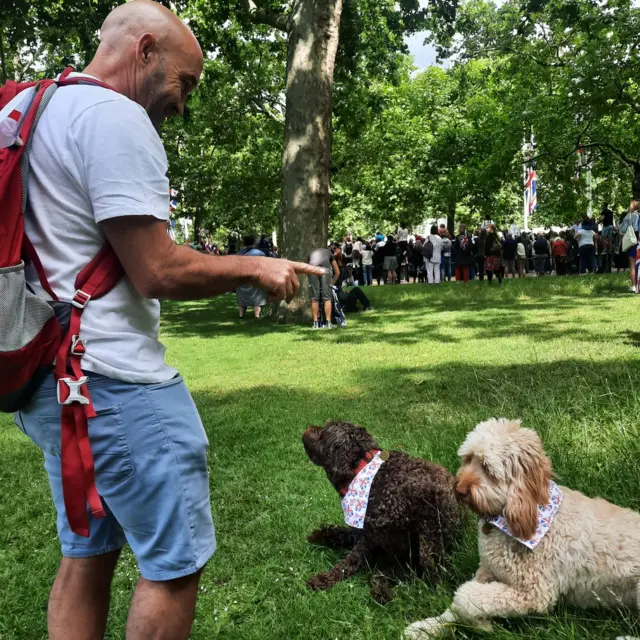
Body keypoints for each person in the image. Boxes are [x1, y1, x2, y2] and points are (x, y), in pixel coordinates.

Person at [8, 4, 324, 639]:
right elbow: (156, 270)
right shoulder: (114, 118)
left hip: (45, 375)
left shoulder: (29, 108)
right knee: (175, 564)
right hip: (109, 378)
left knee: (86, 552)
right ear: (145, 51)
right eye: (186, 83)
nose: (184, 105)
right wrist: (254, 269)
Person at [236, 235, 268, 318]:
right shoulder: (259, 253)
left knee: (241, 298)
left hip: (242, 278)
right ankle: (257, 315)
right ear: (253, 242)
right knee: (257, 298)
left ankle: (241, 315)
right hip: (255, 277)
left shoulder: (239, 253)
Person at [308, 247, 340, 329]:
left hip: (312, 270)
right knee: (327, 298)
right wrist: (331, 284)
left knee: (314, 298)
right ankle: (328, 323)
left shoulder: (311, 253)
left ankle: (315, 324)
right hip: (325, 271)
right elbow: (337, 272)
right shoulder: (329, 253)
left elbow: (307, 267)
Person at [619, 202, 640, 291]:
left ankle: (634, 286)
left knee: (632, 263)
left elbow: (622, 229)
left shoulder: (629, 216)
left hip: (633, 240)